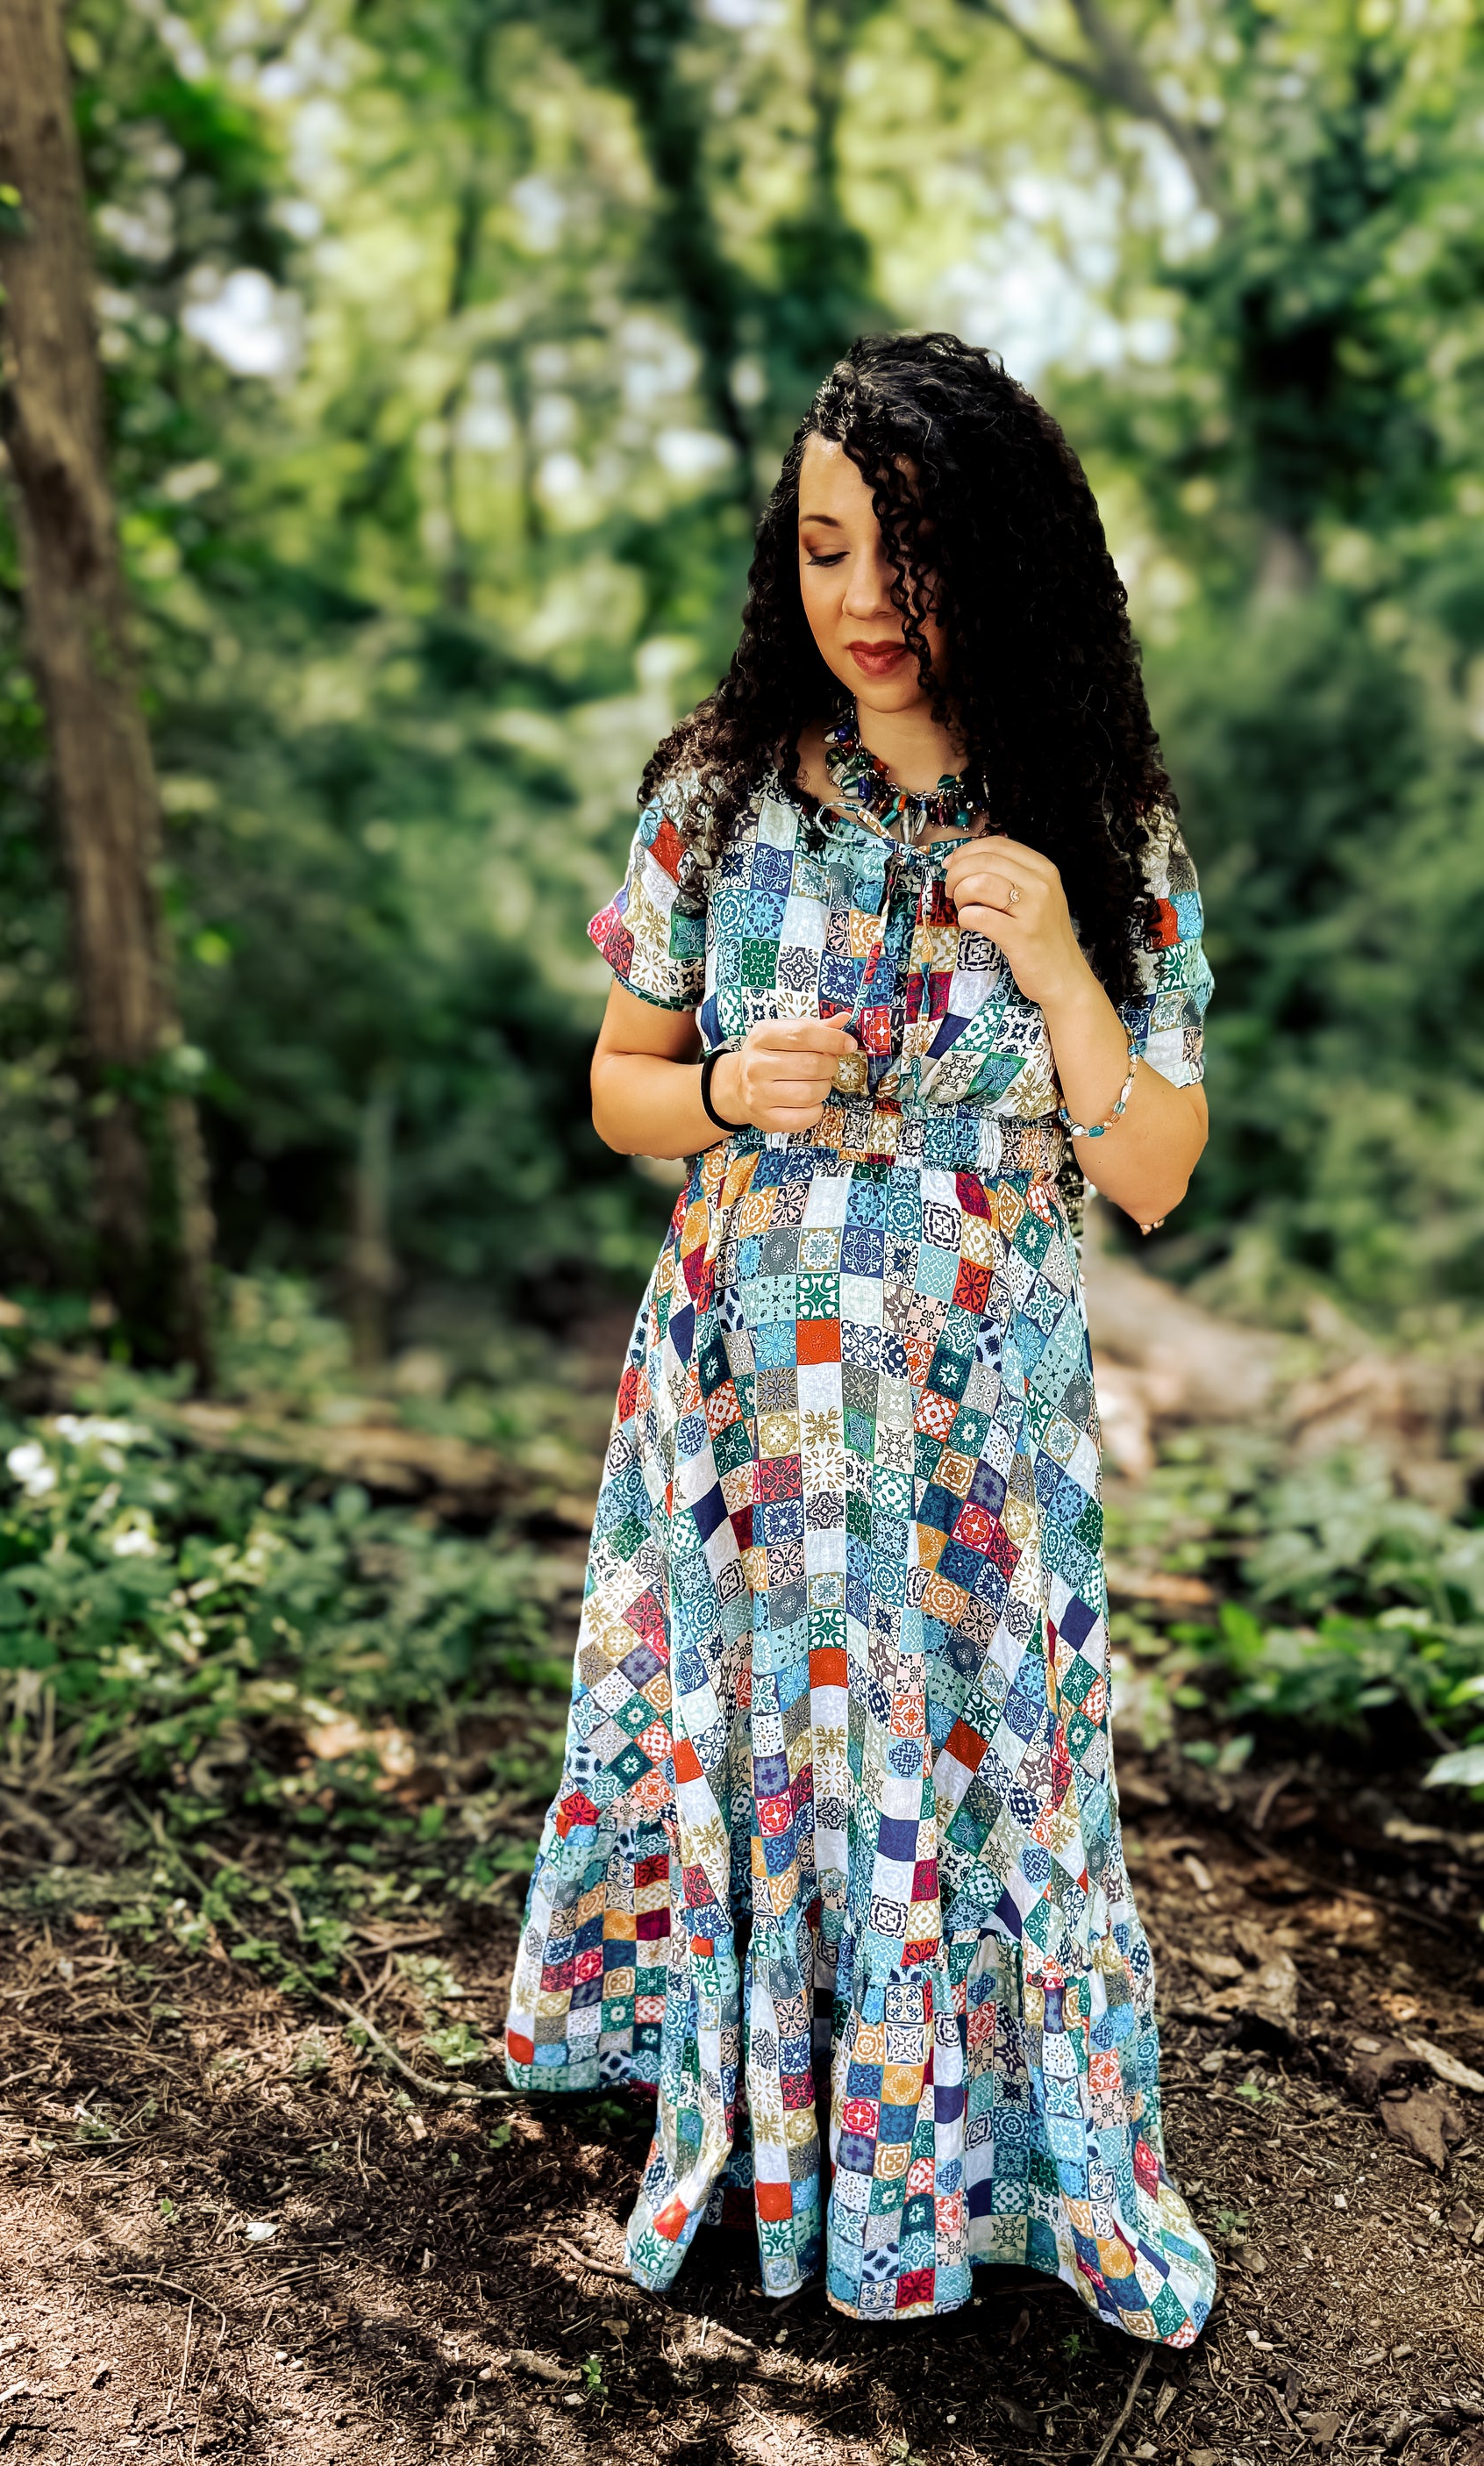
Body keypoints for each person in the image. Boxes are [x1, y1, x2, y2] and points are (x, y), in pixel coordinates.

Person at [503, 332, 1216, 2344]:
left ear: (1002, 565)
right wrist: (731, 1085)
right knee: (764, 1742)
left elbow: (1151, 1166)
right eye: (825, 550)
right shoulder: (715, 795)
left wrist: (1062, 959)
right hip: (747, 1398)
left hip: (981, 1427)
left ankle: (969, 2154)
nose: (864, 603)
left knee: (968, 1764)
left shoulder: (1098, 816)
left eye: (907, 555)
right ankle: (747, 2107)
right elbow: (617, 1084)